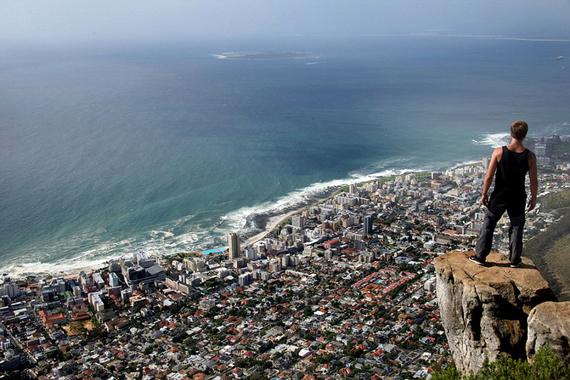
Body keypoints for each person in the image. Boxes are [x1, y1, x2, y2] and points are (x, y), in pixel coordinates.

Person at [470, 120, 538, 268]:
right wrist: (534, 198)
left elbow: (488, 176)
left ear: (510, 133)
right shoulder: (530, 157)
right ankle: (514, 260)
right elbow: (534, 182)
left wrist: (484, 193)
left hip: (499, 195)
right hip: (518, 196)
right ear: (525, 135)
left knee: (489, 224)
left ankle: (480, 257)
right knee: (516, 227)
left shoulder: (499, 152)